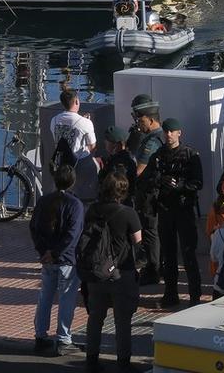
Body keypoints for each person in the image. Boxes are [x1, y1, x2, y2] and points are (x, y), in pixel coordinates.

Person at [81, 173, 143, 373]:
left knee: (95, 317)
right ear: (123, 191)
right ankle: (123, 362)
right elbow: (138, 242)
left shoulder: (92, 211)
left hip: (96, 272)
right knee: (122, 320)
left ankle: (91, 359)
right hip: (121, 272)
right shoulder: (128, 213)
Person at [141, 117, 204, 307]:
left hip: (184, 210)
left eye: (172, 132)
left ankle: (195, 295)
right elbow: (146, 180)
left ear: (179, 133)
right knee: (168, 255)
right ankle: (170, 294)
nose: (168, 135)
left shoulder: (190, 155)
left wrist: (180, 186)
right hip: (166, 210)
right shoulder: (158, 156)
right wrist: (161, 181)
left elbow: (197, 183)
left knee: (188, 254)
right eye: (166, 131)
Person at [30, 164, 85, 355]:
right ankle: (63, 339)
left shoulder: (44, 201)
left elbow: (34, 227)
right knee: (66, 299)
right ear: (73, 181)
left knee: (45, 296)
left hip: (47, 259)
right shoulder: (75, 204)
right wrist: (56, 252)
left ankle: (40, 335)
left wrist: (44, 251)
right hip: (67, 259)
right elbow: (73, 234)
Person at [126, 95, 164, 284]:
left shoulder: (151, 142)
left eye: (140, 120)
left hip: (149, 194)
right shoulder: (160, 136)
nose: (138, 124)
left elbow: (139, 170)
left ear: (151, 119)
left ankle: (153, 269)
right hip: (154, 193)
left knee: (150, 231)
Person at [50, 90, 96, 164]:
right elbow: (92, 146)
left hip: (61, 163)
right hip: (80, 163)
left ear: (62, 103)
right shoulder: (86, 122)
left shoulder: (54, 120)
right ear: (77, 101)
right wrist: (83, 121)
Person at [98, 127, 137, 205]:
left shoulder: (120, 163)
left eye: (108, 141)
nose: (105, 143)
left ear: (116, 145)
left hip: (118, 205)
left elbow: (117, 186)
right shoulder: (115, 159)